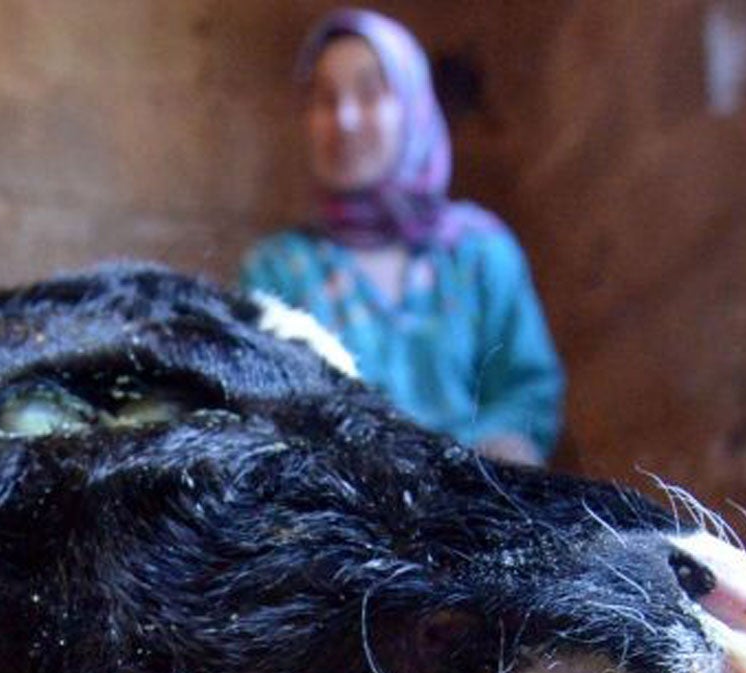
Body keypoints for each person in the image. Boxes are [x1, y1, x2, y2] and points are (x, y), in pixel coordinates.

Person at [240, 9, 564, 466]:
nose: (345, 119)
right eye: (324, 99)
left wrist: (494, 453)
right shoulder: (279, 268)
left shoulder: (480, 252)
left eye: (370, 93)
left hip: (479, 496)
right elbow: (270, 414)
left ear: (413, 105)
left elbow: (526, 393)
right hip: (341, 513)